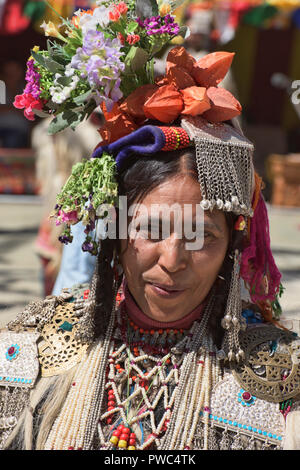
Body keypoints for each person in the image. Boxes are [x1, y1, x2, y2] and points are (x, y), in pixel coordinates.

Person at [1, 2, 300, 451]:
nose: (173, 259)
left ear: (234, 246)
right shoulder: (33, 346)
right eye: (152, 229)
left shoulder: (280, 374)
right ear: (113, 232)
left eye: (203, 235)